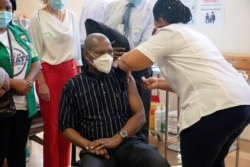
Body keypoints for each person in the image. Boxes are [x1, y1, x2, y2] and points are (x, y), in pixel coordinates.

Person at [117, 0, 250, 167]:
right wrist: (158, 82)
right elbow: (194, 79)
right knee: (214, 161)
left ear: (160, 19)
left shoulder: (168, 33)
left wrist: (118, 60)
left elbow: (129, 62)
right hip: (241, 105)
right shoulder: (192, 34)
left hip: (214, 108)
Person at [58, 33, 170, 167]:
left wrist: (117, 138)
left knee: (157, 163)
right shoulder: (73, 86)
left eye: (110, 52)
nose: (107, 56)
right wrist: (89, 145)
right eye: (100, 52)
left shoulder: (124, 77)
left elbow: (140, 115)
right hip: (95, 148)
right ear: (87, 55)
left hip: (128, 143)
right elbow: (66, 127)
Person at [27, 0, 82, 166]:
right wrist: (41, 83)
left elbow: (77, 52)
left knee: (67, 126)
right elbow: (34, 53)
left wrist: (78, 80)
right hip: (48, 74)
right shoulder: (37, 17)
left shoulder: (71, 16)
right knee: (52, 127)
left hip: (70, 72)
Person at [103, 0, 155, 142]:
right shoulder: (112, 6)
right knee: (115, 112)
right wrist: (108, 51)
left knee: (140, 114)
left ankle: (141, 150)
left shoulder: (151, 9)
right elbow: (102, 33)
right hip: (113, 67)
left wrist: (127, 60)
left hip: (139, 68)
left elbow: (147, 43)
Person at [0, 0, 41, 166]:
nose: (4, 12)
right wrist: (13, 83)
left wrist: (27, 82)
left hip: (24, 104)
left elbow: (36, 61)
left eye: (8, 8)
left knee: (18, 154)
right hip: (2, 105)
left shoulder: (20, 32)